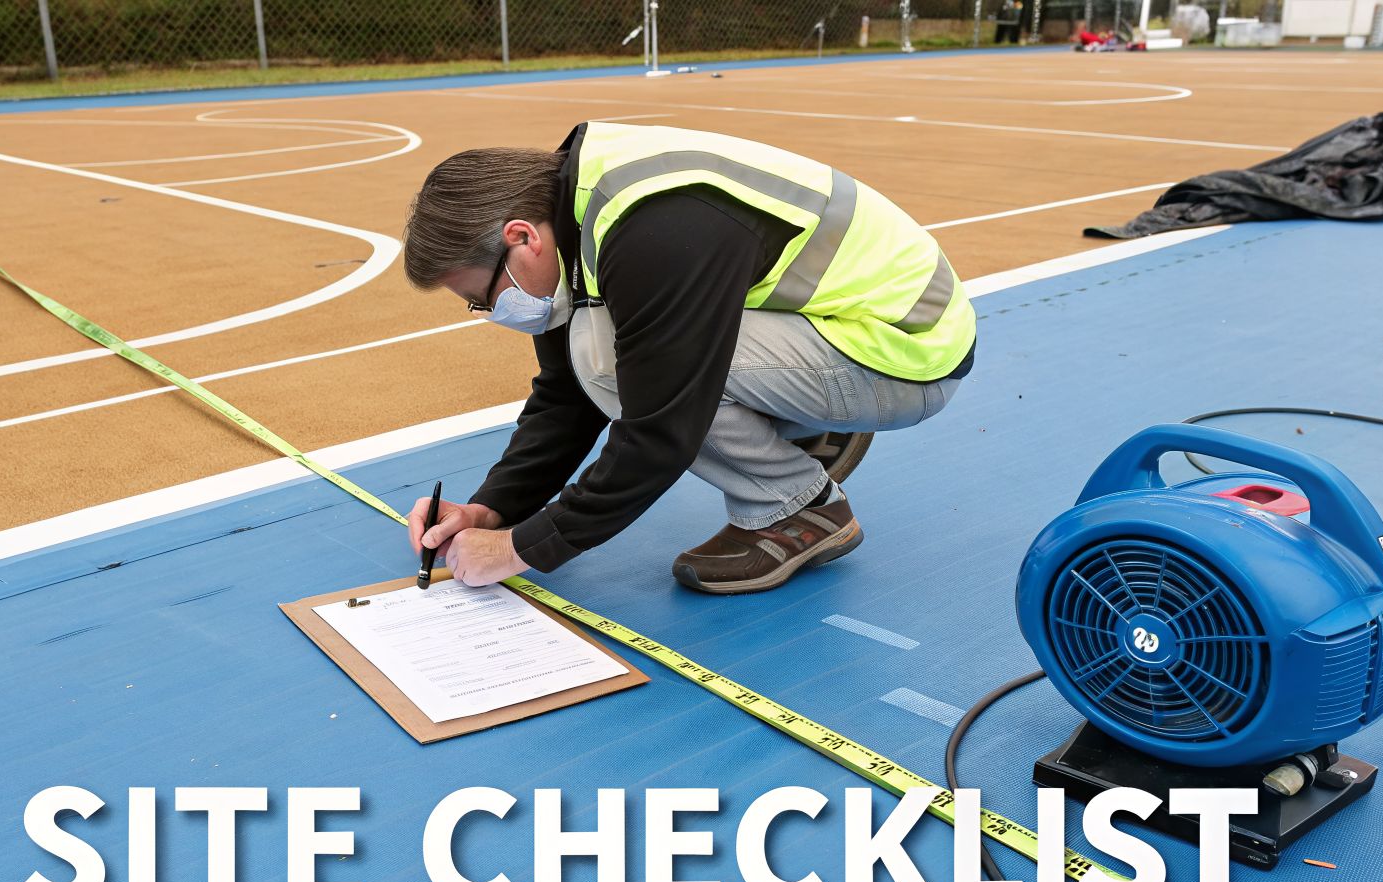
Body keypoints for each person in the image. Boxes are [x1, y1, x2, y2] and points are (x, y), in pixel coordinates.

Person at [401, 122, 977, 594]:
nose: (492, 311)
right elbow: (565, 394)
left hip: (906, 355)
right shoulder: (578, 206)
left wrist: (523, 549)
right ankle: (800, 423)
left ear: (523, 237)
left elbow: (661, 426)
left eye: (482, 298)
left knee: (617, 365)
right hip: (852, 328)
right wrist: (492, 509)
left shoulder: (653, 230)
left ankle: (798, 507)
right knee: (599, 350)